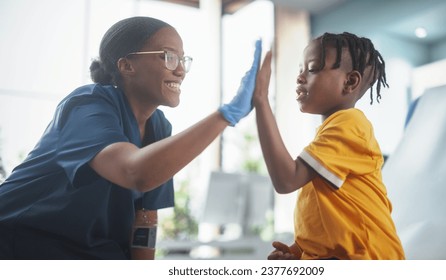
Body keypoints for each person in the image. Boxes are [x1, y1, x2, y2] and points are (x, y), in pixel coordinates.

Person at [0, 16, 261, 259]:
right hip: (20, 244)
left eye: (183, 59)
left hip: (88, 254)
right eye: (169, 57)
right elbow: (135, 172)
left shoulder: (159, 127)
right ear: (126, 65)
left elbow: (145, 218)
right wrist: (226, 115)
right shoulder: (87, 106)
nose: (181, 70)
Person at [253, 32, 405, 260]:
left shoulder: (351, 124)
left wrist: (261, 100)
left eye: (312, 69)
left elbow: (286, 179)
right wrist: (298, 251)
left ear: (350, 81)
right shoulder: (329, 138)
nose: (300, 77)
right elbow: (328, 218)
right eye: (300, 69)